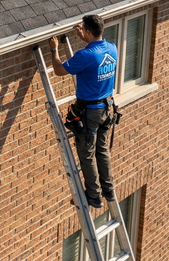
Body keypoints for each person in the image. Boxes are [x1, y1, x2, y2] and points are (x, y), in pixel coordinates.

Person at [50, 14, 118, 209]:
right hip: (107, 110)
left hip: (90, 113)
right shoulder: (111, 48)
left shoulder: (86, 55)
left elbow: (59, 70)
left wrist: (54, 50)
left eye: (83, 29)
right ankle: (108, 189)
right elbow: (94, 56)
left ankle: (94, 196)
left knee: (87, 154)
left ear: (88, 31)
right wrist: (85, 38)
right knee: (102, 151)